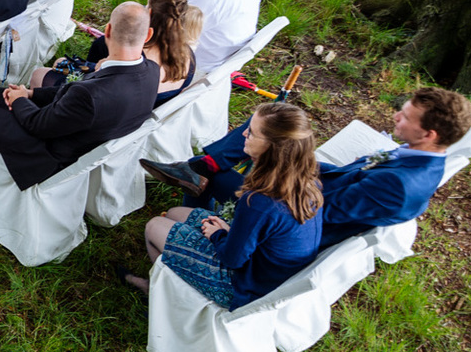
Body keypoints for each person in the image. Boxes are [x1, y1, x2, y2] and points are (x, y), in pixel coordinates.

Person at [141, 87, 471, 248]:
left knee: (233, 164)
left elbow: (318, 213)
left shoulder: (400, 186)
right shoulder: (419, 155)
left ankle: (199, 176)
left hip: (291, 211)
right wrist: (299, 158)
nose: (396, 118)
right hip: (308, 188)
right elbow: (345, 179)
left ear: (429, 134)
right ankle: (199, 169)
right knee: (270, 122)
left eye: (405, 117)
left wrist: (284, 171)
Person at [0, 2, 161, 187]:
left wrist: (19, 100)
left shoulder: (90, 94)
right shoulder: (150, 72)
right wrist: (30, 93)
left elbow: (40, 126)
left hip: (48, 155)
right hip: (76, 135)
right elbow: (69, 95)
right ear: (148, 35)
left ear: (107, 31)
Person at [123, 103, 324, 307]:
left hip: (242, 287)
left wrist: (218, 234)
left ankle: (161, 298)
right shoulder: (307, 181)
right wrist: (230, 231)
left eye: (252, 132)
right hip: (266, 270)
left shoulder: (259, 201)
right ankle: (168, 281)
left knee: (154, 226)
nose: (244, 132)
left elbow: (232, 260)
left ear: (274, 147)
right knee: (174, 213)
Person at [61, 0, 198, 103]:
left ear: (148, 12)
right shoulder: (188, 56)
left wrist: (103, 65)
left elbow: (96, 84)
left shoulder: (135, 58)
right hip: (142, 113)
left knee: (58, 64)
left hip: (104, 102)